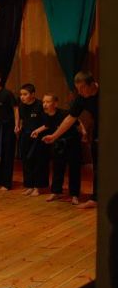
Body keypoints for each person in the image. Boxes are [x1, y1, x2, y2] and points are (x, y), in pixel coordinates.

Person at [43, 72, 99, 209]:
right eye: (77, 89)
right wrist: (54, 136)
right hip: (99, 130)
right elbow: (70, 118)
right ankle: (96, 198)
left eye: (82, 88)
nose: (80, 92)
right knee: (98, 167)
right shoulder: (81, 98)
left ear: (92, 84)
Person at [32, 93, 84, 206]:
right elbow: (47, 125)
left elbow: (78, 123)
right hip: (59, 143)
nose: (45, 104)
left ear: (55, 104)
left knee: (74, 169)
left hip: (72, 142)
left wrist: (84, 133)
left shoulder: (64, 113)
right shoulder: (46, 115)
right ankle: (56, 192)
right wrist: (37, 131)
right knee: (57, 167)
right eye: (43, 102)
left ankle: (74, 195)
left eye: (48, 102)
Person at [18, 83, 49, 196]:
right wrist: (18, 127)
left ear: (32, 94)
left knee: (38, 162)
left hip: (39, 137)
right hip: (25, 135)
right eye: (21, 94)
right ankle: (29, 186)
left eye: (25, 94)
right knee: (26, 161)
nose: (22, 97)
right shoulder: (22, 106)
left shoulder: (40, 105)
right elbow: (23, 120)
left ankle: (37, 187)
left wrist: (38, 131)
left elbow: (48, 123)